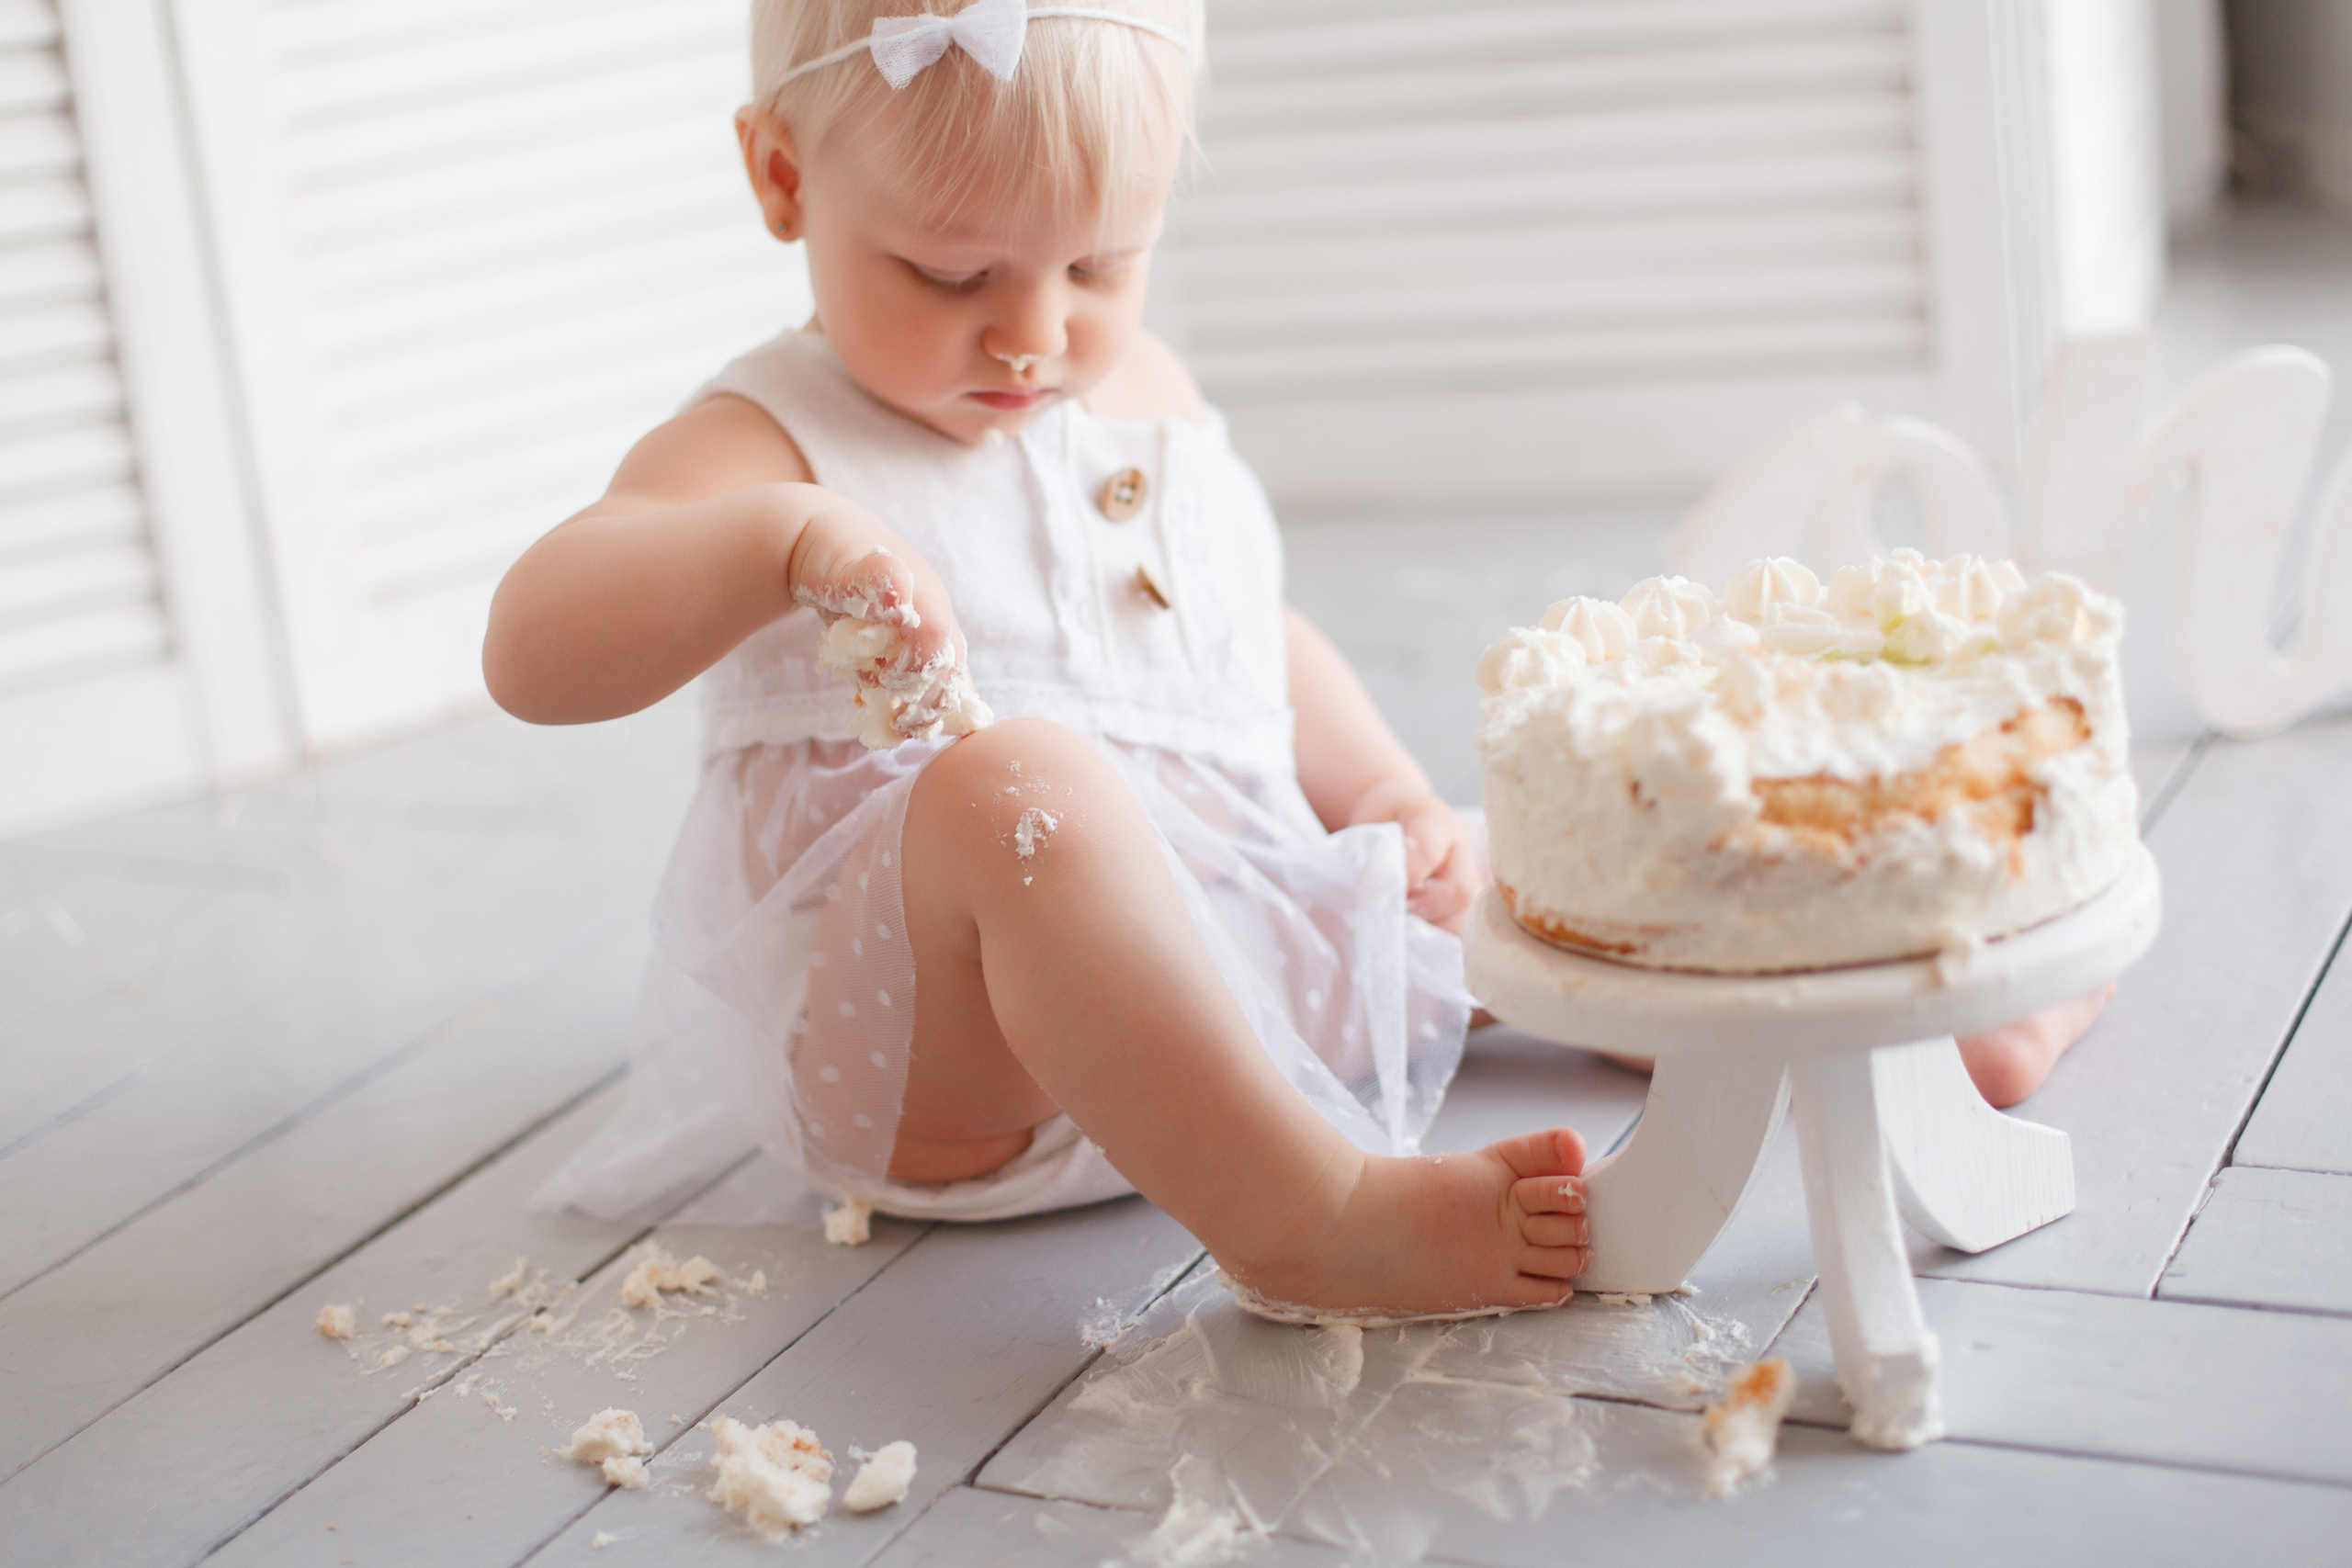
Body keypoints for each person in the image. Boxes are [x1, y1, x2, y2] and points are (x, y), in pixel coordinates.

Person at [486, 0, 2095, 1321]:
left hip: (1234, 981)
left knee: (1502, 879)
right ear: (781, 177)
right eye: (954, 274)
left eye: (1100, 265)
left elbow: (1243, 642)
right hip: (944, 1071)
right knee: (1023, 786)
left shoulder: (1145, 397)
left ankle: (1890, 1025)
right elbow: (533, 646)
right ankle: (1313, 1215)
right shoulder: (766, 436)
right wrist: (771, 542)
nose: (1034, 334)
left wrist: (1387, 798)